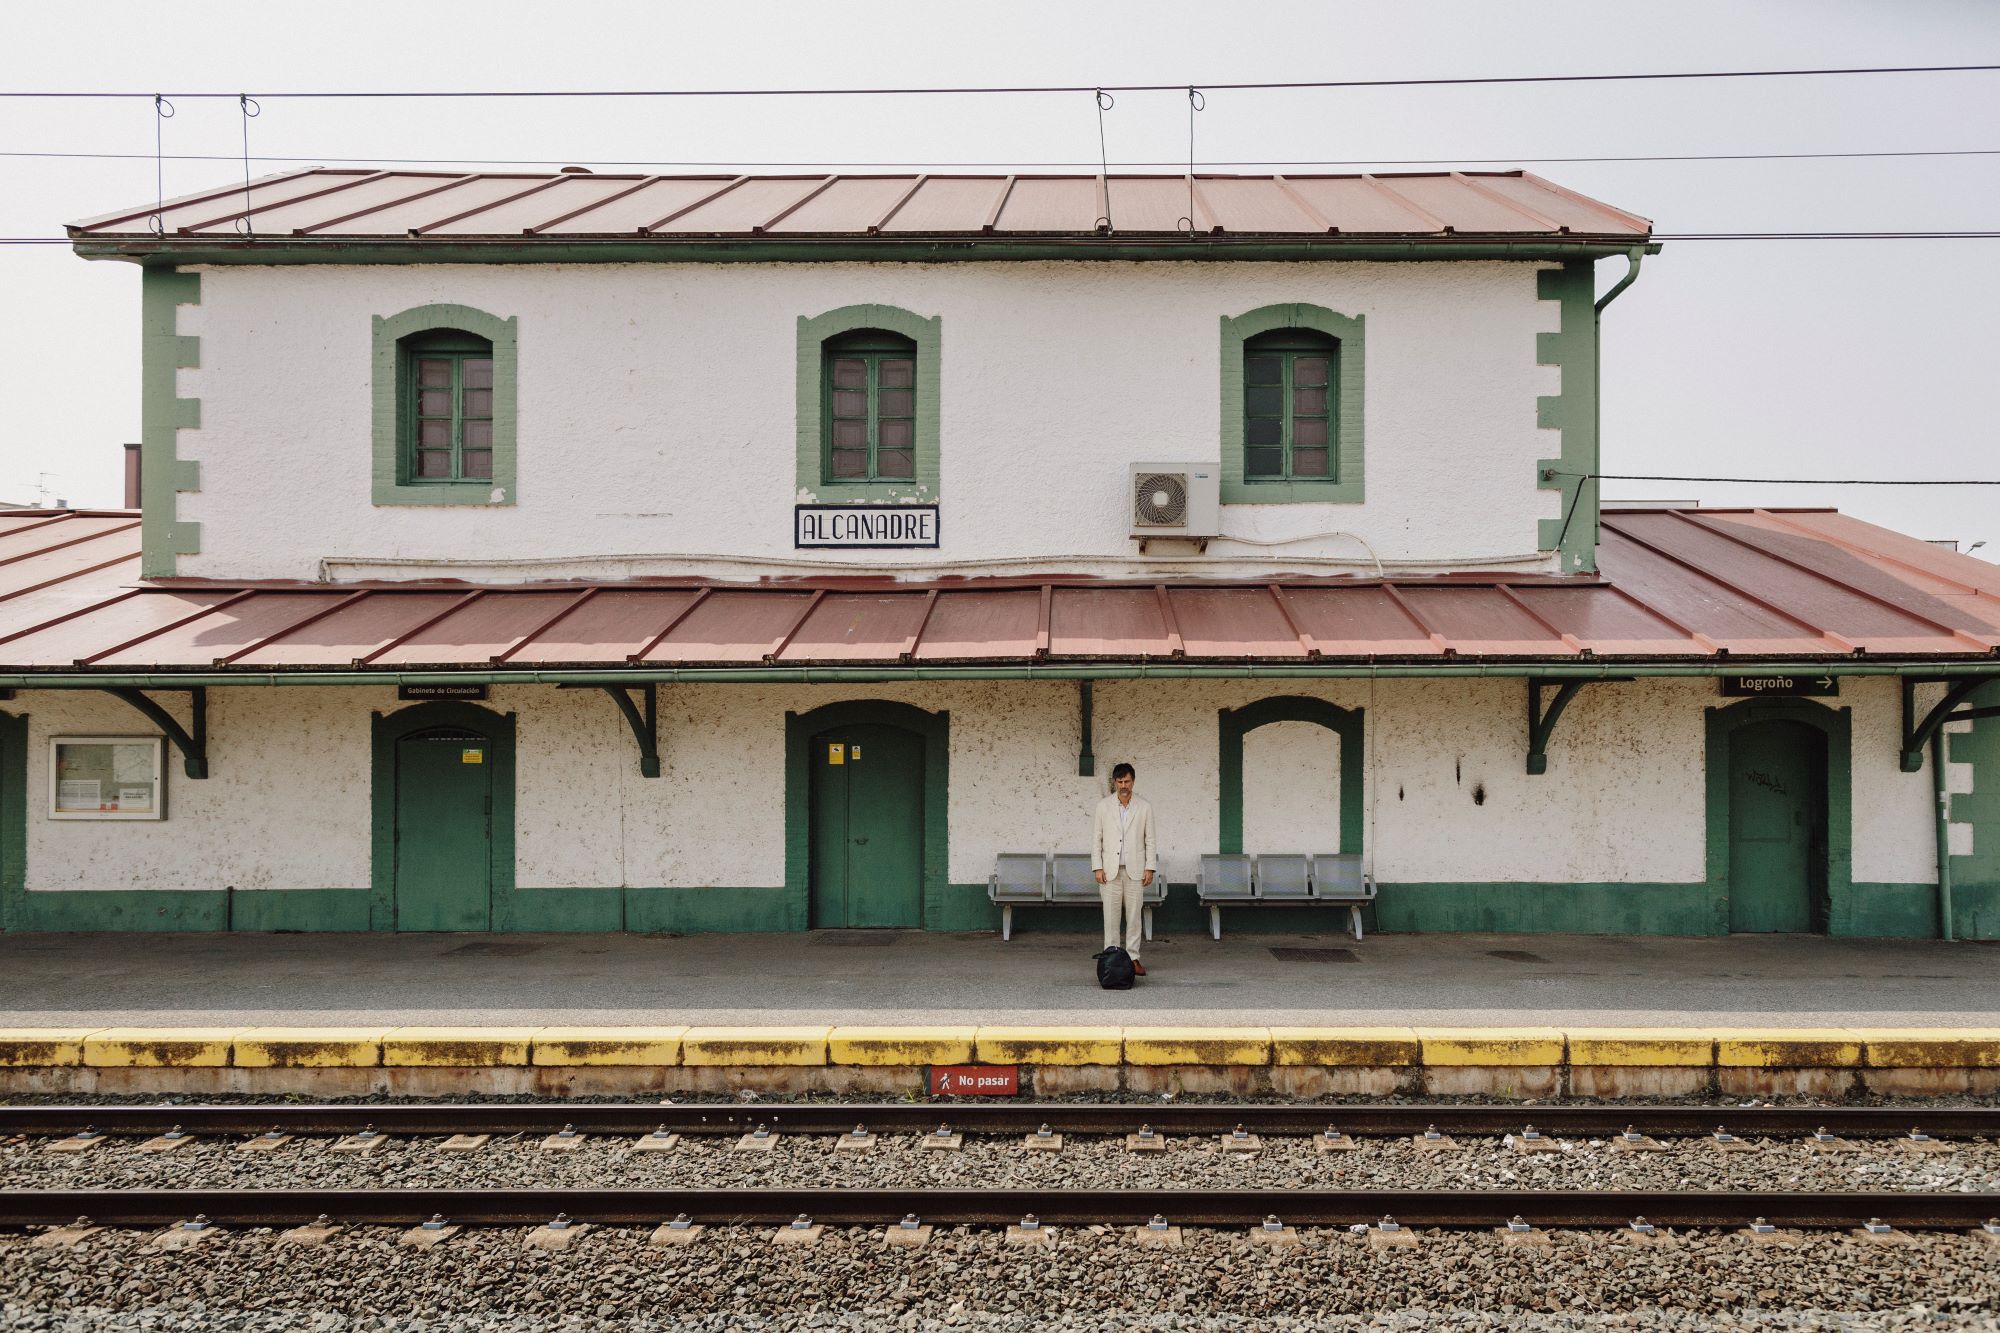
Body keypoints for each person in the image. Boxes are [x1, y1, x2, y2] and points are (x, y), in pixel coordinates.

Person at [1090, 762, 1157, 975]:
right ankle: (1111, 957)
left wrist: (1150, 867)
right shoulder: (1103, 806)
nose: (1123, 786)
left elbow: (1150, 840)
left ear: (1133, 782)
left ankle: (1133, 958)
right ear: (1114, 782)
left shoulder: (1144, 807)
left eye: (1127, 781)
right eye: (1119, 782)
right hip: (1109, 871)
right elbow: (1097, 839)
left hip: (1135, 871)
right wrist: (1097, 867)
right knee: (1110, 918)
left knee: (1134, 917)